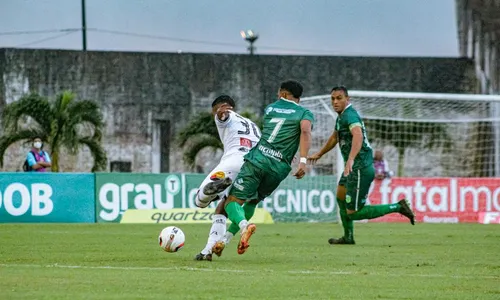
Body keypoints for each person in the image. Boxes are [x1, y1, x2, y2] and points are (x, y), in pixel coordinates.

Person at [308, 86, 415, 245]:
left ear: (347, 99)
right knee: (341, 197)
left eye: (339, 98)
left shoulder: (350, 116)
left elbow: (357, 135)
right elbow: (335, 137)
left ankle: (398, 207)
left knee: (353, 213)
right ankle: (348, 237)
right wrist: (319, 154)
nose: (335, 102)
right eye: (333, 99)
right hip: (352, 168)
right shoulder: (341, 117)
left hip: (359, 168)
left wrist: (350, 158)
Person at [223, 80, 314, 255]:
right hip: (278, 168)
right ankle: (224, 240)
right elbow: (304, 131)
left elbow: (275, 134)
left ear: (284, 94)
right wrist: (303, 160)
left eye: (279, 93)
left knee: (232, 202)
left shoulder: (271, 108)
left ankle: (244, 226)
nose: (277, 96)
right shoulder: (305, 112)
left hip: (258, 160)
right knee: (253, 201)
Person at [194, 95, 261, 261]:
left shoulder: (226, 115)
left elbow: (222, 117)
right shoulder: (253, 125)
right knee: (222, 208)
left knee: (200, 201)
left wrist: (220, 114)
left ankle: (211, 192)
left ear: (222, 107)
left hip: (233, 163)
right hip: (252, 166)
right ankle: (207, 250)